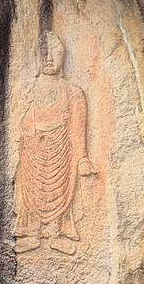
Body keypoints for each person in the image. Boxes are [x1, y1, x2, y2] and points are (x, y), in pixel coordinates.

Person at [13, 32, 94, 255]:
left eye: (56, 53)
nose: (49, 58)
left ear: (63, 58)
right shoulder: (25, 89)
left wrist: (82, 158)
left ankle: (57, 234)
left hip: (62, 151)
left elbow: (78, 128)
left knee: (61, 191)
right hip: (32, 149)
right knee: (31, 190)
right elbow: (16, 122)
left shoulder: (74, 92)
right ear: (36, 57)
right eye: (44, 53)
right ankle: (31, 234)